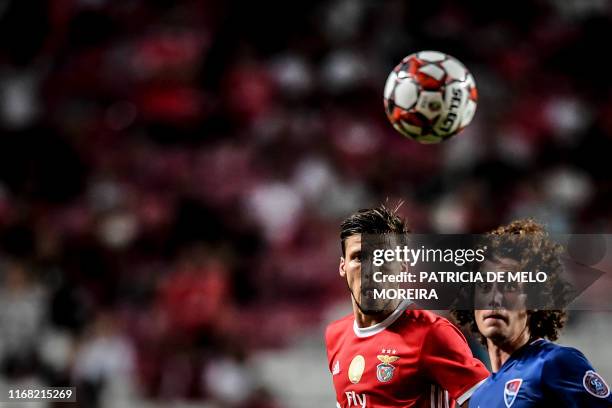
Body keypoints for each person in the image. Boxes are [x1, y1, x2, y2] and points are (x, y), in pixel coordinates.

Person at [325, 205, 489, 408]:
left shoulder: (432, 333)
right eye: (359, 257)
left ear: (402, 266)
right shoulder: (336, 336)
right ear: (343, 266)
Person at [452, 219, 612, 407]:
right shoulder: (479, 396)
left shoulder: (553, 363)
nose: (495, 298)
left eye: (509, 286)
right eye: (485, 286)